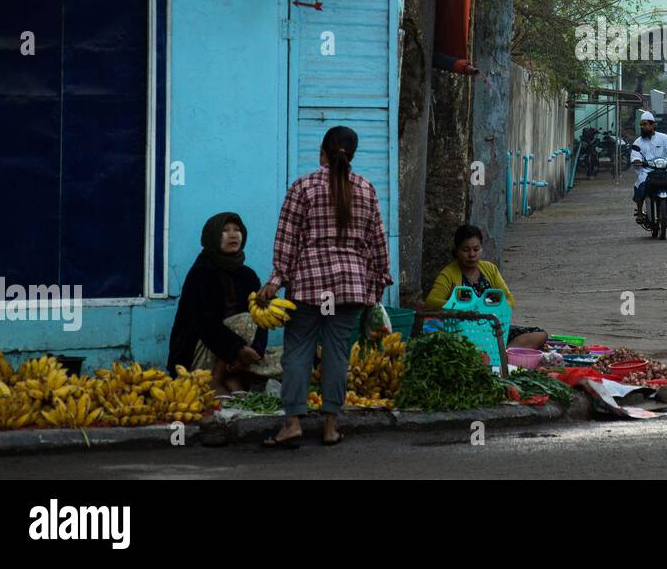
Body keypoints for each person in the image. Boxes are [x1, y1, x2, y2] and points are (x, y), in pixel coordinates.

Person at [259, 126, 393, 448]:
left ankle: (292, 423)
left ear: (322, 151)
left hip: (310, 286)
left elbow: (287, 241)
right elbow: (377, 245)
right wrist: (376, 291)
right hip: (348, 288)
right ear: (352, 154)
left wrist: (275, 281)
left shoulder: (303, 186)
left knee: (298, 351)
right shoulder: (366, 188)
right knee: (337, 353)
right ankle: (331, 427)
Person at [167, 212, 279, 393]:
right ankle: (216, 380)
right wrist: (237, 350)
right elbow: (205, 324)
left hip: (237, 353)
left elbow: (263, 318)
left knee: (286, 357)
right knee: (246, 320)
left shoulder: (247, 275)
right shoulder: (201, 273)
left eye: (237, 230)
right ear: (212, 237)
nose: (233, 235)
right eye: (225, 231)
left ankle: (233, 376)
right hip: (201, 353)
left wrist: (255, 351)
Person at [425, 224, 548, 351]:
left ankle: (503, 355)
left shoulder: (490, 269)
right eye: (466, 250)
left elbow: (508, 298)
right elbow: (431, 302)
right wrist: (463, 307)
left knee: (540, 334)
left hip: (491, 329)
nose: (472, 254)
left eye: (476, 249)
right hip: (463, 331)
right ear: (457, 250)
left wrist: (496, 306)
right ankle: (497, 353)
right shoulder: (449, 274)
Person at [629, 111, 667, 224]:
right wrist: (637, 160)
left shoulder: (664, 138)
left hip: (665, 170)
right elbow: (635, 154)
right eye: (641, 125)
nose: (642, 127)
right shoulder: (638, 142)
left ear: (653, 125)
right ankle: (640, 212)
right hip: (647, 171)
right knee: (641, 188)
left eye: (645, 124)